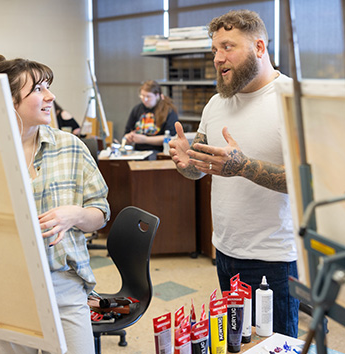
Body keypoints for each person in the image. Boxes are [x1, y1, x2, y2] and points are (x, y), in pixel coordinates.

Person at [168, 9, 299, 338]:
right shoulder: (216, 104)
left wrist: (243, 167)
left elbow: (309, 182)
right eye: (214, 50)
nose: (217, 58)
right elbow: (200, 167)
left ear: (259, 47)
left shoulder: (292, 99)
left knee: (274, 344)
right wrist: (189, 166)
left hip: (274, 257)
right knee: (236, 342)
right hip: (225, 250)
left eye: (227, 47)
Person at [0, 55, 110, 354]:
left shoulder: (70, 147)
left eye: (48, 87)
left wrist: (75, 215)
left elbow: (101, 213)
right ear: (9, 99)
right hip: (6, 285)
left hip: (63, 285)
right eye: (39, 89)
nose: (51, 96)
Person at [123, 80, 179, 152]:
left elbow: (171, 138)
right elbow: (126, 133)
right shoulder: (136, 109)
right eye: (142, 96)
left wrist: (145, 140)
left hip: (158, 152)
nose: (144, 100)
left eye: (148, 97)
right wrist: (129, 138)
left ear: (157, 95)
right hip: (138, 151)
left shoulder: (169, 110)